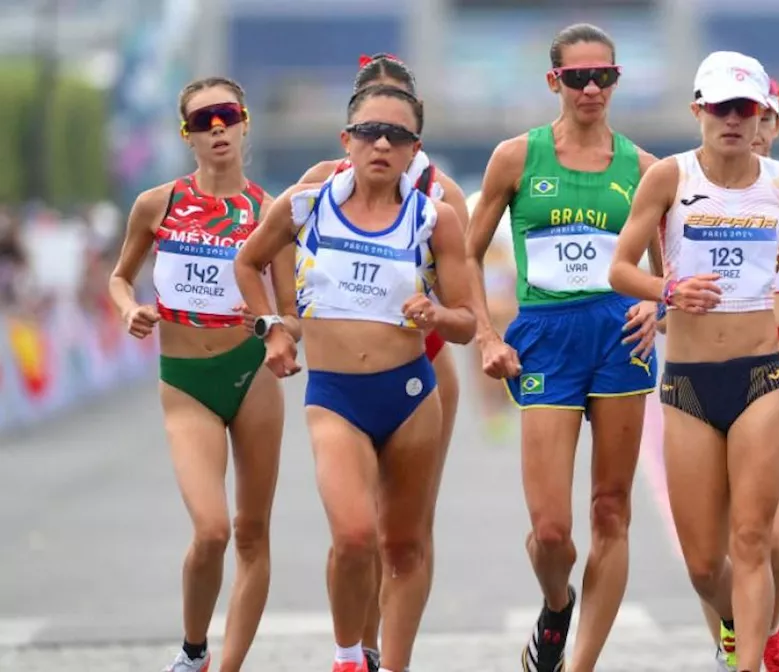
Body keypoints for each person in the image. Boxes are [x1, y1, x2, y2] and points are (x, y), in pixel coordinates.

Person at [609, 50, 779, 672]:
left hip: (761, 377)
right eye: (719, 107)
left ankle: (751, 653)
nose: (732, 120)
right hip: (687, 383)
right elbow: (620, 267)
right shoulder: (669, 180)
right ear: (698, 111)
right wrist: (667, 293)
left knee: (756, 541)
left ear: (763, 112)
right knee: (705, 563)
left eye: (744, 108)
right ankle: (747, 630)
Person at [233, 83, 476, 672]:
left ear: (415, 149)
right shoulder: (305, 204)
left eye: (398, 135)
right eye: (370, 131)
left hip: (413, 397)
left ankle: (391, 664)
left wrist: (436, 313)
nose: (382, 144)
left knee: (404, 545)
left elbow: (467, 323)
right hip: (337, 398)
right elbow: (248, 260)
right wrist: (272, 328)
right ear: (347, 140)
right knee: (354, 537)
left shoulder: (434, 217)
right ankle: (348, 656)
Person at [465, 23, 665, 672]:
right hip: (546, 338)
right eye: (577, 77)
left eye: (602, 76)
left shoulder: (644, 167)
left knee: (611, 509)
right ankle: (557, 604)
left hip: (618, 341)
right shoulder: (516, 158)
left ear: (616, 80)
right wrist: (487, 336)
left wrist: (654, 303)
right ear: (554, 82)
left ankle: (579, 663)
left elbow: (667, 269)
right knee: (552, 531)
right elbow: (463, 254)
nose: (590, 88)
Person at [107, 77, 288, 672]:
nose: (217, 127)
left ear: (244, 124)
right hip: (185, 383)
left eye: (227, 115)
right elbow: (117, 277)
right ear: (186, 134)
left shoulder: (268, 213)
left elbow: (289, 312)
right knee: (211, 531)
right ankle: (194, 651)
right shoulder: (156, 204)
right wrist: (131, 309)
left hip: (251, 376)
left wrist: (273, 332)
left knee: (252, 535)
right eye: (203, 118)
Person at [692, 76, 779, 672]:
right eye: (730, 111)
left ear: (773, 124)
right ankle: (734, 641)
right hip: (706, 379)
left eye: (759, 116)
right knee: (712, 551)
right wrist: (659, 304)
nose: (748, 128)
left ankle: (770, 633)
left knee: (772, 536)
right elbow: (667, 275)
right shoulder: (697, 192)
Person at [464, 189, 521, 442]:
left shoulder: (507, 257)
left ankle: (502, 407)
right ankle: (491, 412)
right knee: (482, 367)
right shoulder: (477, 257)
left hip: (504, 314)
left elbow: (515, 284)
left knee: (505, 365)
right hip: (483, 314)